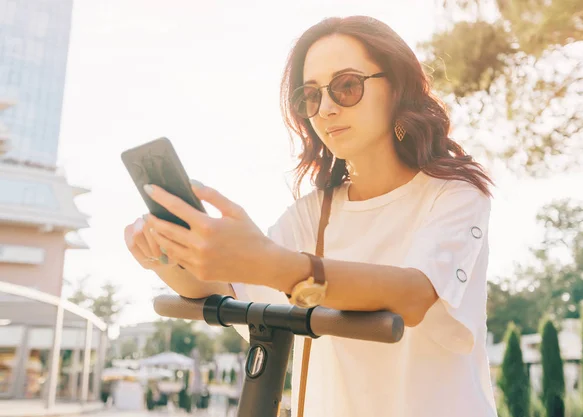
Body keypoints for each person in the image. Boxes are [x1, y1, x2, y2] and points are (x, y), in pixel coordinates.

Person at [124, 15, 497, 417]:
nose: (327, 108)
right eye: (311, 96)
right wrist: (166, 254)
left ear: (397, 87)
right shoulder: (312, 213)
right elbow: (226, 288)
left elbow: (413, 294)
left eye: (347, 86)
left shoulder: (455, 193)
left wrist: (274, 264)